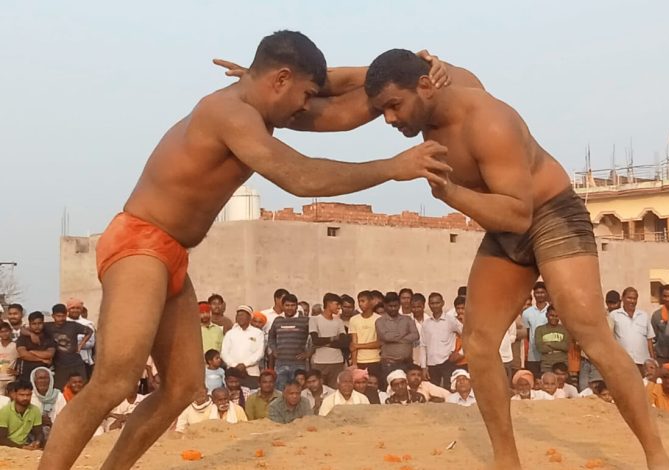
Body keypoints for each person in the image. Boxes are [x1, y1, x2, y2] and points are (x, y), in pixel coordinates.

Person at [221, 46, 669, 468]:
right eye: (383, 109)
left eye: (394, 107)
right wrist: (265, 87)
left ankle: (657, 456)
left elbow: (519, 213)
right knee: (479, 342)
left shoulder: (489, 121)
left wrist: (449, 192)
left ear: (425, 86)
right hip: (502, 226)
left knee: (590, 333)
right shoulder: (413, 88)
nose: (389, 118)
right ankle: (507, 460)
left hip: (548, 214)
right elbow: (339, 100)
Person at [42, 32, 451, 470]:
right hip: (140, 242)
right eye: (305, 94)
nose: (306, 105)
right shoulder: (229, 113)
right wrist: (392, 168)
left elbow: (342, 110)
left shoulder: (258, 111)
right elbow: (301, 177)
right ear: (280, 79)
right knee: (113, 382)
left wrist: (406, 68)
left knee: (180, 388)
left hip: (170, 253)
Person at [40, 304, 93, 391]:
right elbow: (28, 329)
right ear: (53, 316)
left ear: (66, 315)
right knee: (60, 390)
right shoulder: (47, 327)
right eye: (58, 316)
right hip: (59, 365)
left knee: (82, 389)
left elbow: (89, 331)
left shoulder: (73, 325)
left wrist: (80, 345)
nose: (61, 318)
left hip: (76, 363)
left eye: (63, 316)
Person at [420, 292, 462, 390]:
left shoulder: (451, 320)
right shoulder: (426, 324)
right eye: (432, 303)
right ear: (429, 304)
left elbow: (466, 335)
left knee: (449, 390)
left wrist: (460, 352)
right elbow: (423, 346)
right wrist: (423, 367)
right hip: (431, 364)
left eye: (437, 303)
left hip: (448, 362)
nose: (435, 306)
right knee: (434, 391)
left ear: (442, 303)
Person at [578, 291, 618, 391]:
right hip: (585, 360)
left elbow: (605, 337)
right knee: (583, 390)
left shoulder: (608, 319)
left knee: (596, 389)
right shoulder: (583, 318)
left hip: (598, 360)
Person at [268, 294, 310, 389]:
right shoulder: (277, 320)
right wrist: (274, 350)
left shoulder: (305, 321)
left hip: (299, 364)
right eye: (287, 305)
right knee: (281, 391)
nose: (290, 308)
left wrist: (308, 353)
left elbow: (314, 338)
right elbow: (271, 338)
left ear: (297, 306)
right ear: (282, 306)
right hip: (281, 363)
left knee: (299, 390)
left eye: (292, 305)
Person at [376, 292, 419, 383]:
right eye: (390, 306)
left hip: (407, 363)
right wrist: (405, 334)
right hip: (389, 364)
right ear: (385, 305)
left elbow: (415, 335)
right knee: (389, 388)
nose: (393, 308)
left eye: (395, 306)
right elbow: (386, 337)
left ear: (399, 305)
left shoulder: (407, 319)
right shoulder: (380, 321)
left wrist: (396, 338)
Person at [610, 288, 656, 373]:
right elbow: (610, 339)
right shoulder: (614, 315)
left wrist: (652, 359)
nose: (632, 301)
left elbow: (649, 340)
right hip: (623, 362)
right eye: (629, 298)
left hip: (643, 362)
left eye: (634, 298)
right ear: (623, 298)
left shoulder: (644, 315)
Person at [221, 305, 265, 389]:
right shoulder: (230, 333)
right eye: (238, 315)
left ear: (249, 317)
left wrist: (245, 364)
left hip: (252, 372)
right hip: (233, 373)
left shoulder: (258, 333)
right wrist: (235, 365)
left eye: (242, 315)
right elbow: (224, 353)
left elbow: (260, 353)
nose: (240, 317)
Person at [309, 293, 348, 388]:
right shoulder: (314, 320)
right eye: (337, 304)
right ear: (328, 303)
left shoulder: (339, 321)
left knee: (335, 390)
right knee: (320, 389)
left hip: (337, 361)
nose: (339, 307)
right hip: (320, 362)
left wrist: (325, 343)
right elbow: (315, 340)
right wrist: (333, 338)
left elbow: (343, 342)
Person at [349, 291, 382, 385]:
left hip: (375, 359)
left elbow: (379, 343)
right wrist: (354, 364)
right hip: (359, 361)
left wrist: (358, 346)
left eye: (363, 301)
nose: (360, 304)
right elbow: (353, 344)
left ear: (371, 301)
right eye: (359, 301)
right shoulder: (354, 320)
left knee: (375, 385)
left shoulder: (379, 319)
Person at [15, 312, 55, 388]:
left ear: (43, 323)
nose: (37, 326)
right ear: (29, 324)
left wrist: (31, 352)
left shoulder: (48, 338)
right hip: (25, 376)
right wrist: (41, 359)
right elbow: (23, 355)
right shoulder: (23, 338)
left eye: (39, 323)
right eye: (34, 324)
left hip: (44, 378)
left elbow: (49, 354)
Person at [0, 380, 43, 449]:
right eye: (22, 395)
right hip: (7, 447)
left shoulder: (35, 410)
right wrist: (21, 447)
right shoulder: (5, 411)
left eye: (28, 395)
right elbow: (1, 439)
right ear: (15, 395)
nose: (25, 398)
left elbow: (39, 432)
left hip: (25, 445)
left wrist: (38, 441)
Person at [521, 282, 550, 378]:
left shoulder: (552, 311)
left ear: (546, 293)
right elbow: (527, 333)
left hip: (549, 354)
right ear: (534, 294)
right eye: (537, 292)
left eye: (542, 292)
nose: (540, 295)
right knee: (534, 379)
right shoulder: (527, 313)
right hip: (533, 354)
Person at [29, 368, 66, 442]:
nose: (43, 381)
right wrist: (38, 421)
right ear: (34, 380)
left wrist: (51, 424)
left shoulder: (59, 396)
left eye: (46, 378)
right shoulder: (29, 396)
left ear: (51, 380)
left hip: (56, 433)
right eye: (40, 378)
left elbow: (64, 418)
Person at [65, 298, 96, 380]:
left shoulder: (88, 324)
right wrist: (80, 339)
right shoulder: (63, 322)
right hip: (65, 361)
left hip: (84, 361)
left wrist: (75, 344)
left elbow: (91, 343)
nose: (75, 310)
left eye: (78, 308)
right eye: (72, 308)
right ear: (68, 309)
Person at [534, 305, 569, 373]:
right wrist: (559, 346)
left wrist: (550, 343)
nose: (554, 318)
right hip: (546, 364)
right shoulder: (539, 329)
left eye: (557, 316)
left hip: (562, 362)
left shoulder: (565, 329)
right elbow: (540, 348)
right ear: (546, 315)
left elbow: (566, 347)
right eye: (552, 315)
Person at [651, 285, 669, 365]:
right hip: (662, 357)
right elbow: (653, 338)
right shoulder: (657, 315)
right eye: (665, 296)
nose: (667, 299)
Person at [409, 293, 429, 367]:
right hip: (412, 356)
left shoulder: (429, 320)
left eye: (419, 307)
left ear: (423, 306)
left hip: (428, 357)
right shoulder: (407, 321)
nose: (416, 310)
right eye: (413, 307)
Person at [0, 322, 17, 395]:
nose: (4, 334)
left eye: (6, 331)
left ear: (10, 331)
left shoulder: (15, 346)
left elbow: (22, 360)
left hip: (10, 378)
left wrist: (17, 372)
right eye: (2, 332)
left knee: (11, 398)